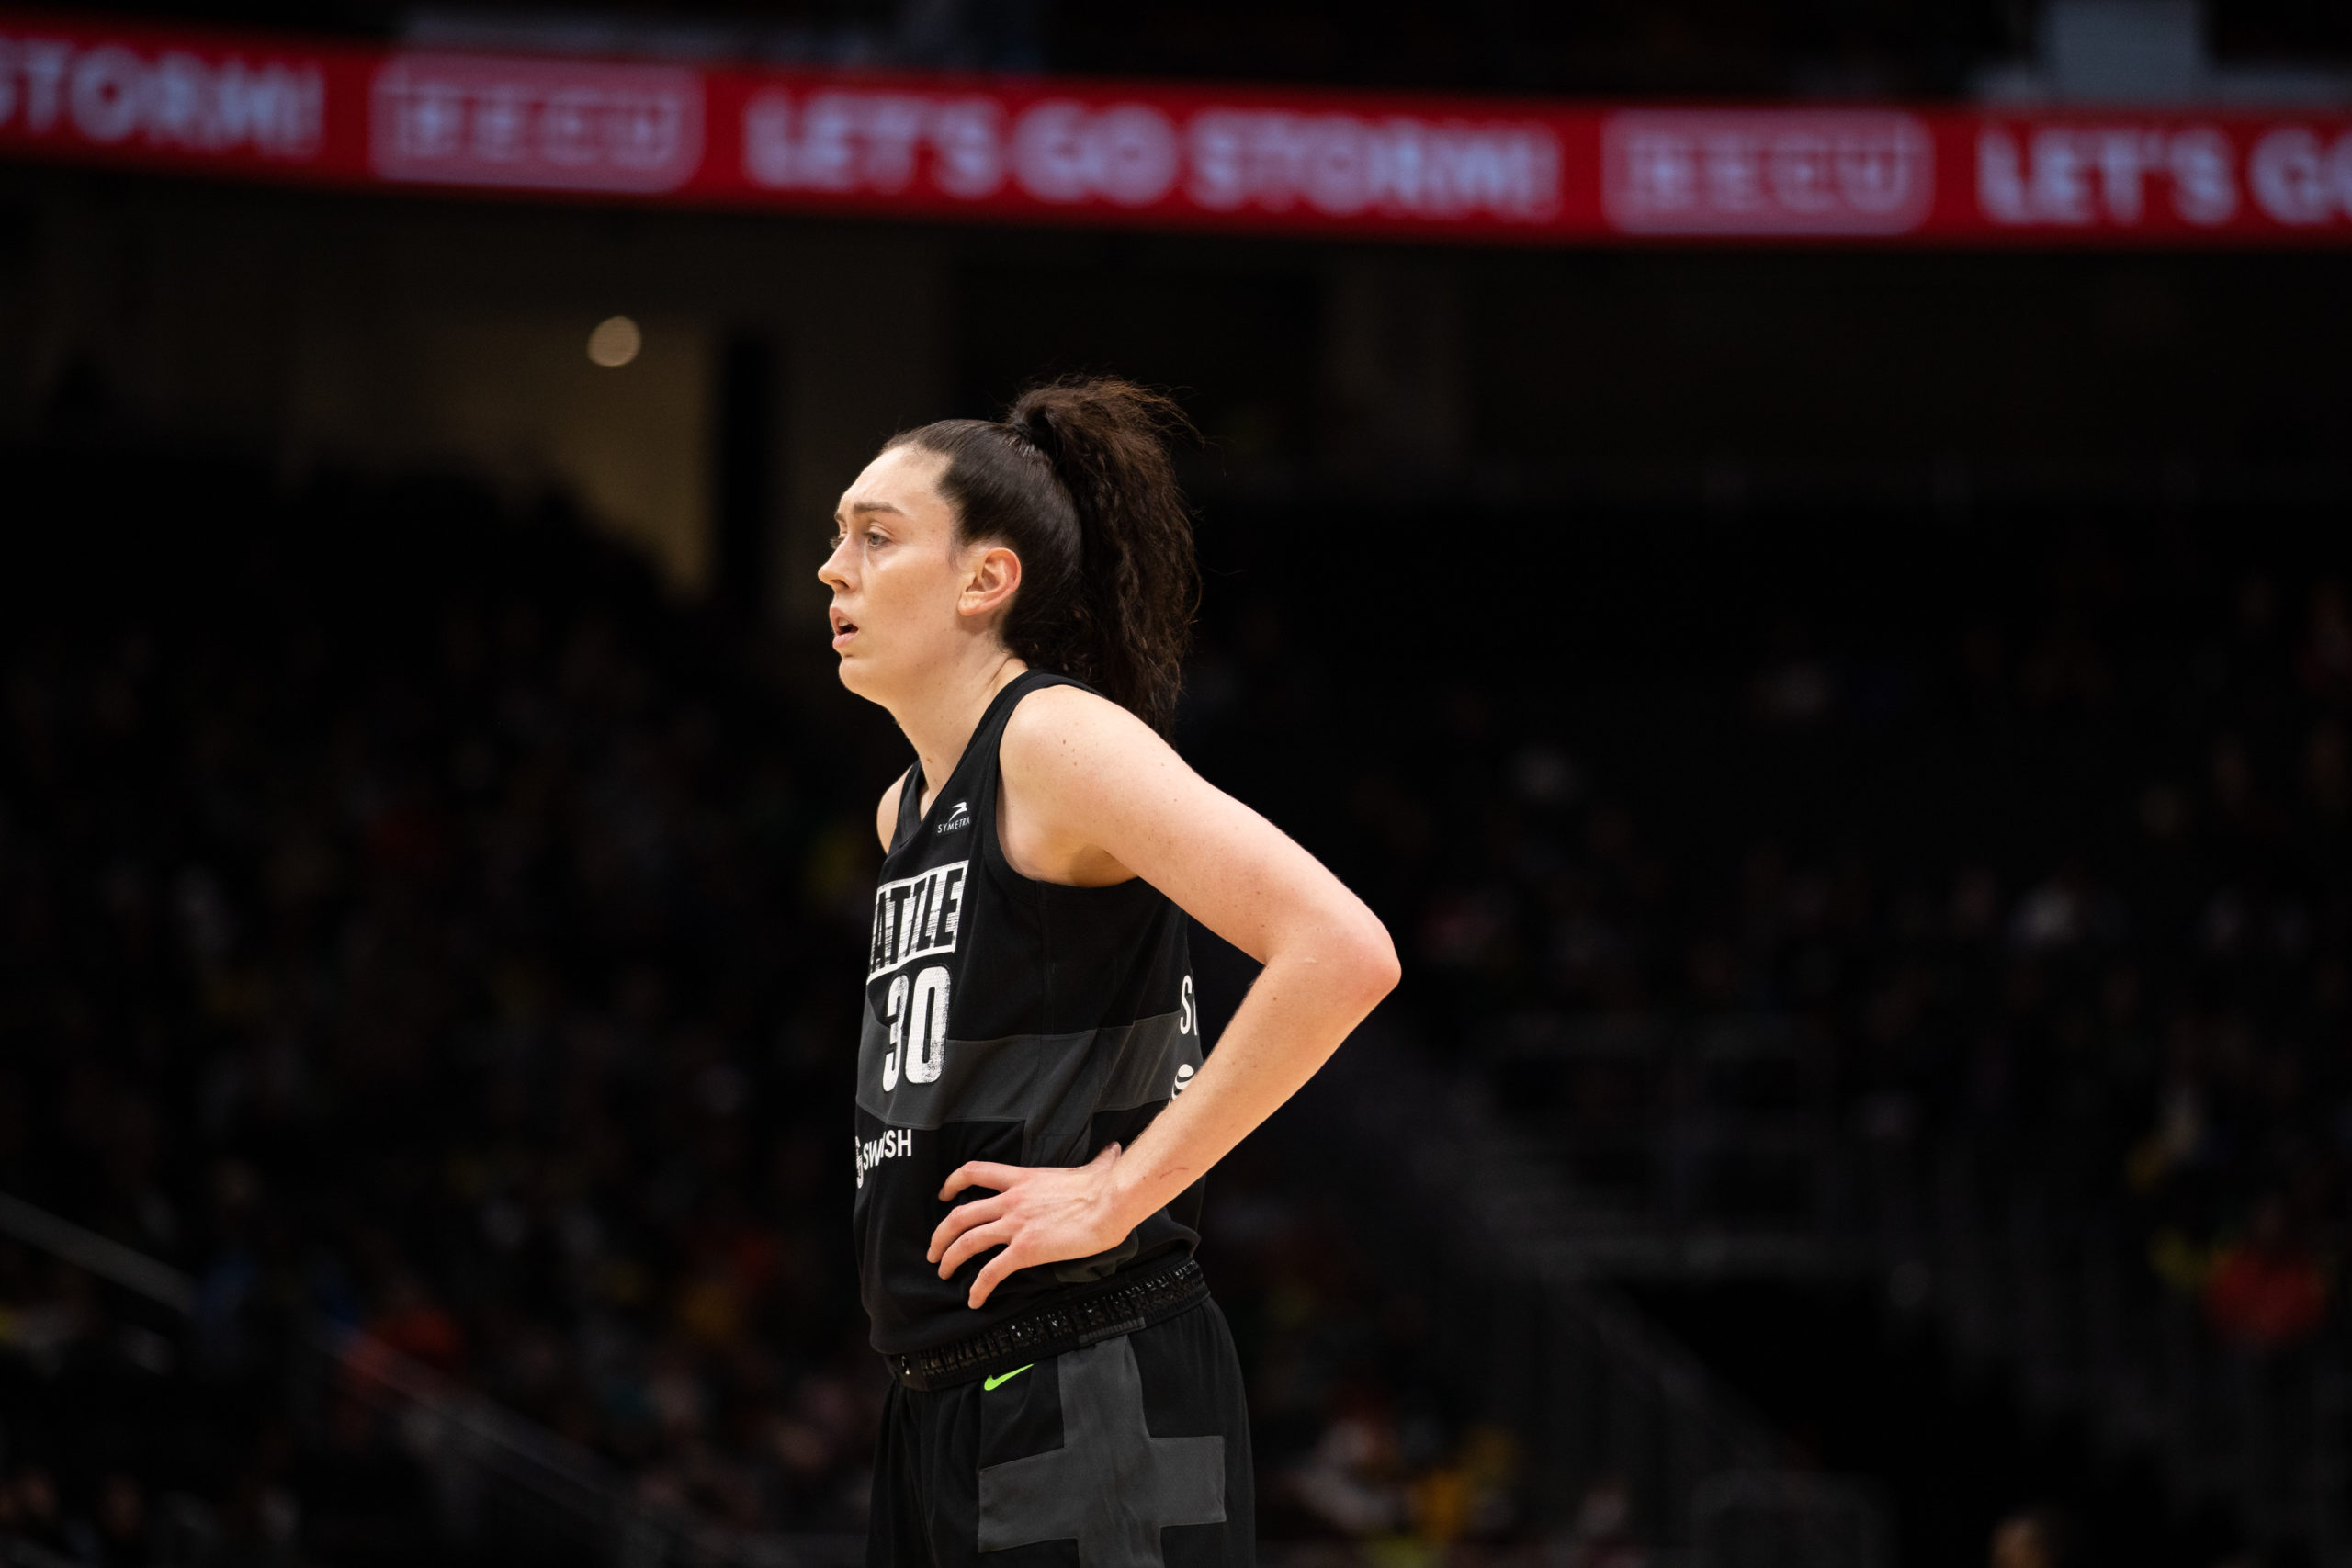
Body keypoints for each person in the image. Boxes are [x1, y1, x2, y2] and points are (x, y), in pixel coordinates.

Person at [819, 377, 1400, 1568]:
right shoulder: (904, 810)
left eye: (876, 538)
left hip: (1088, 1375)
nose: (834, 568)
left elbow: (1342, 951)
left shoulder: (1052, 738)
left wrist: (1125, 1186)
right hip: (940, 1396)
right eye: (836, 537)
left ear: (988, 580)